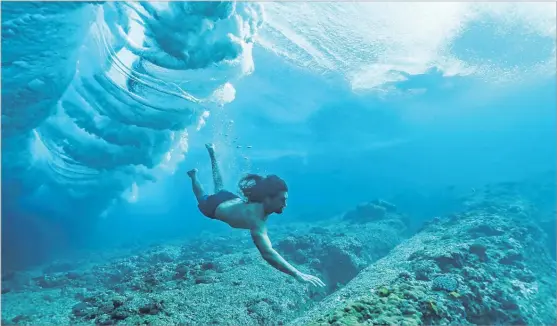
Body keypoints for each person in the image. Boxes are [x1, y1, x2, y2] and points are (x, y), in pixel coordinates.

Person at [187, 143, 325, 288]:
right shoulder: (255, 219)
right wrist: (298, 274)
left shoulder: (258, 203)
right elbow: (267, 253)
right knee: (202, 196)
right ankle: (193, 177)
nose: (285, 205)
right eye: (282, 200)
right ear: (268, 199)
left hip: (230, 199)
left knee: (219, 187)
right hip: (214, 207)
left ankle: (212, 155)